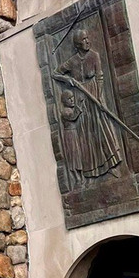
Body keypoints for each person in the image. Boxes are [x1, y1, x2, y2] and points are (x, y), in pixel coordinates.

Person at [52, 25, 124, 187]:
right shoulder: (72, 61)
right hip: (81, 98)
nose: (87, 41)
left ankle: (112, 165)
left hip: (95, 95)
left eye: (87, 38)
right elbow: (55, 73)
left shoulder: (95, 56)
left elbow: (99, 77)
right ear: (77, 44)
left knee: (101, 128)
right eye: (83, 40)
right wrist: (68, 80)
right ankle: (93, 172)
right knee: (87, 135)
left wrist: (98, 98)